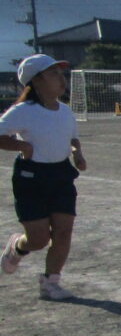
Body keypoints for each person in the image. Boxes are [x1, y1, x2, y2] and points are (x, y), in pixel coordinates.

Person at [0, 54, 87, 300]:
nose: (61, 79)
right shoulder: (23, 111)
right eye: (53, 74)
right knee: (38, 239)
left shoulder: (65, 111)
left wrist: (77, 153)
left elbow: (73, 138)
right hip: (31, 177)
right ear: (36, 81)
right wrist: (22, 146)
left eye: (60, 73)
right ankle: (17, 247)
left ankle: (50, 282)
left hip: (61, 175)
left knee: (63, 231)